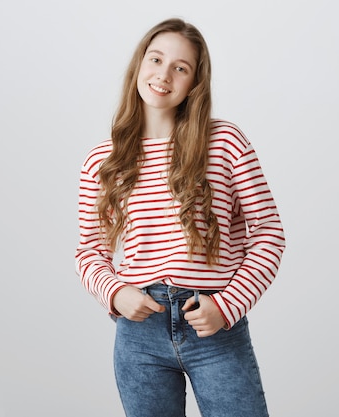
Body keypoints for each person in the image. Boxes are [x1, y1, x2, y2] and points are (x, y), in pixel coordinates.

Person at [75, 17, 286, 417]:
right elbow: (89, 251)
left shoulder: (224, 142)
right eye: (155, 59)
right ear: (139, 65)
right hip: (140, 334)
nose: (164, 75)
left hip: (215, 325)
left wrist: (227, 306)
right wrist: (116, 293)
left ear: (195, 83)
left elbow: (269, 233)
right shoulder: (101, 161)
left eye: (180, 67)